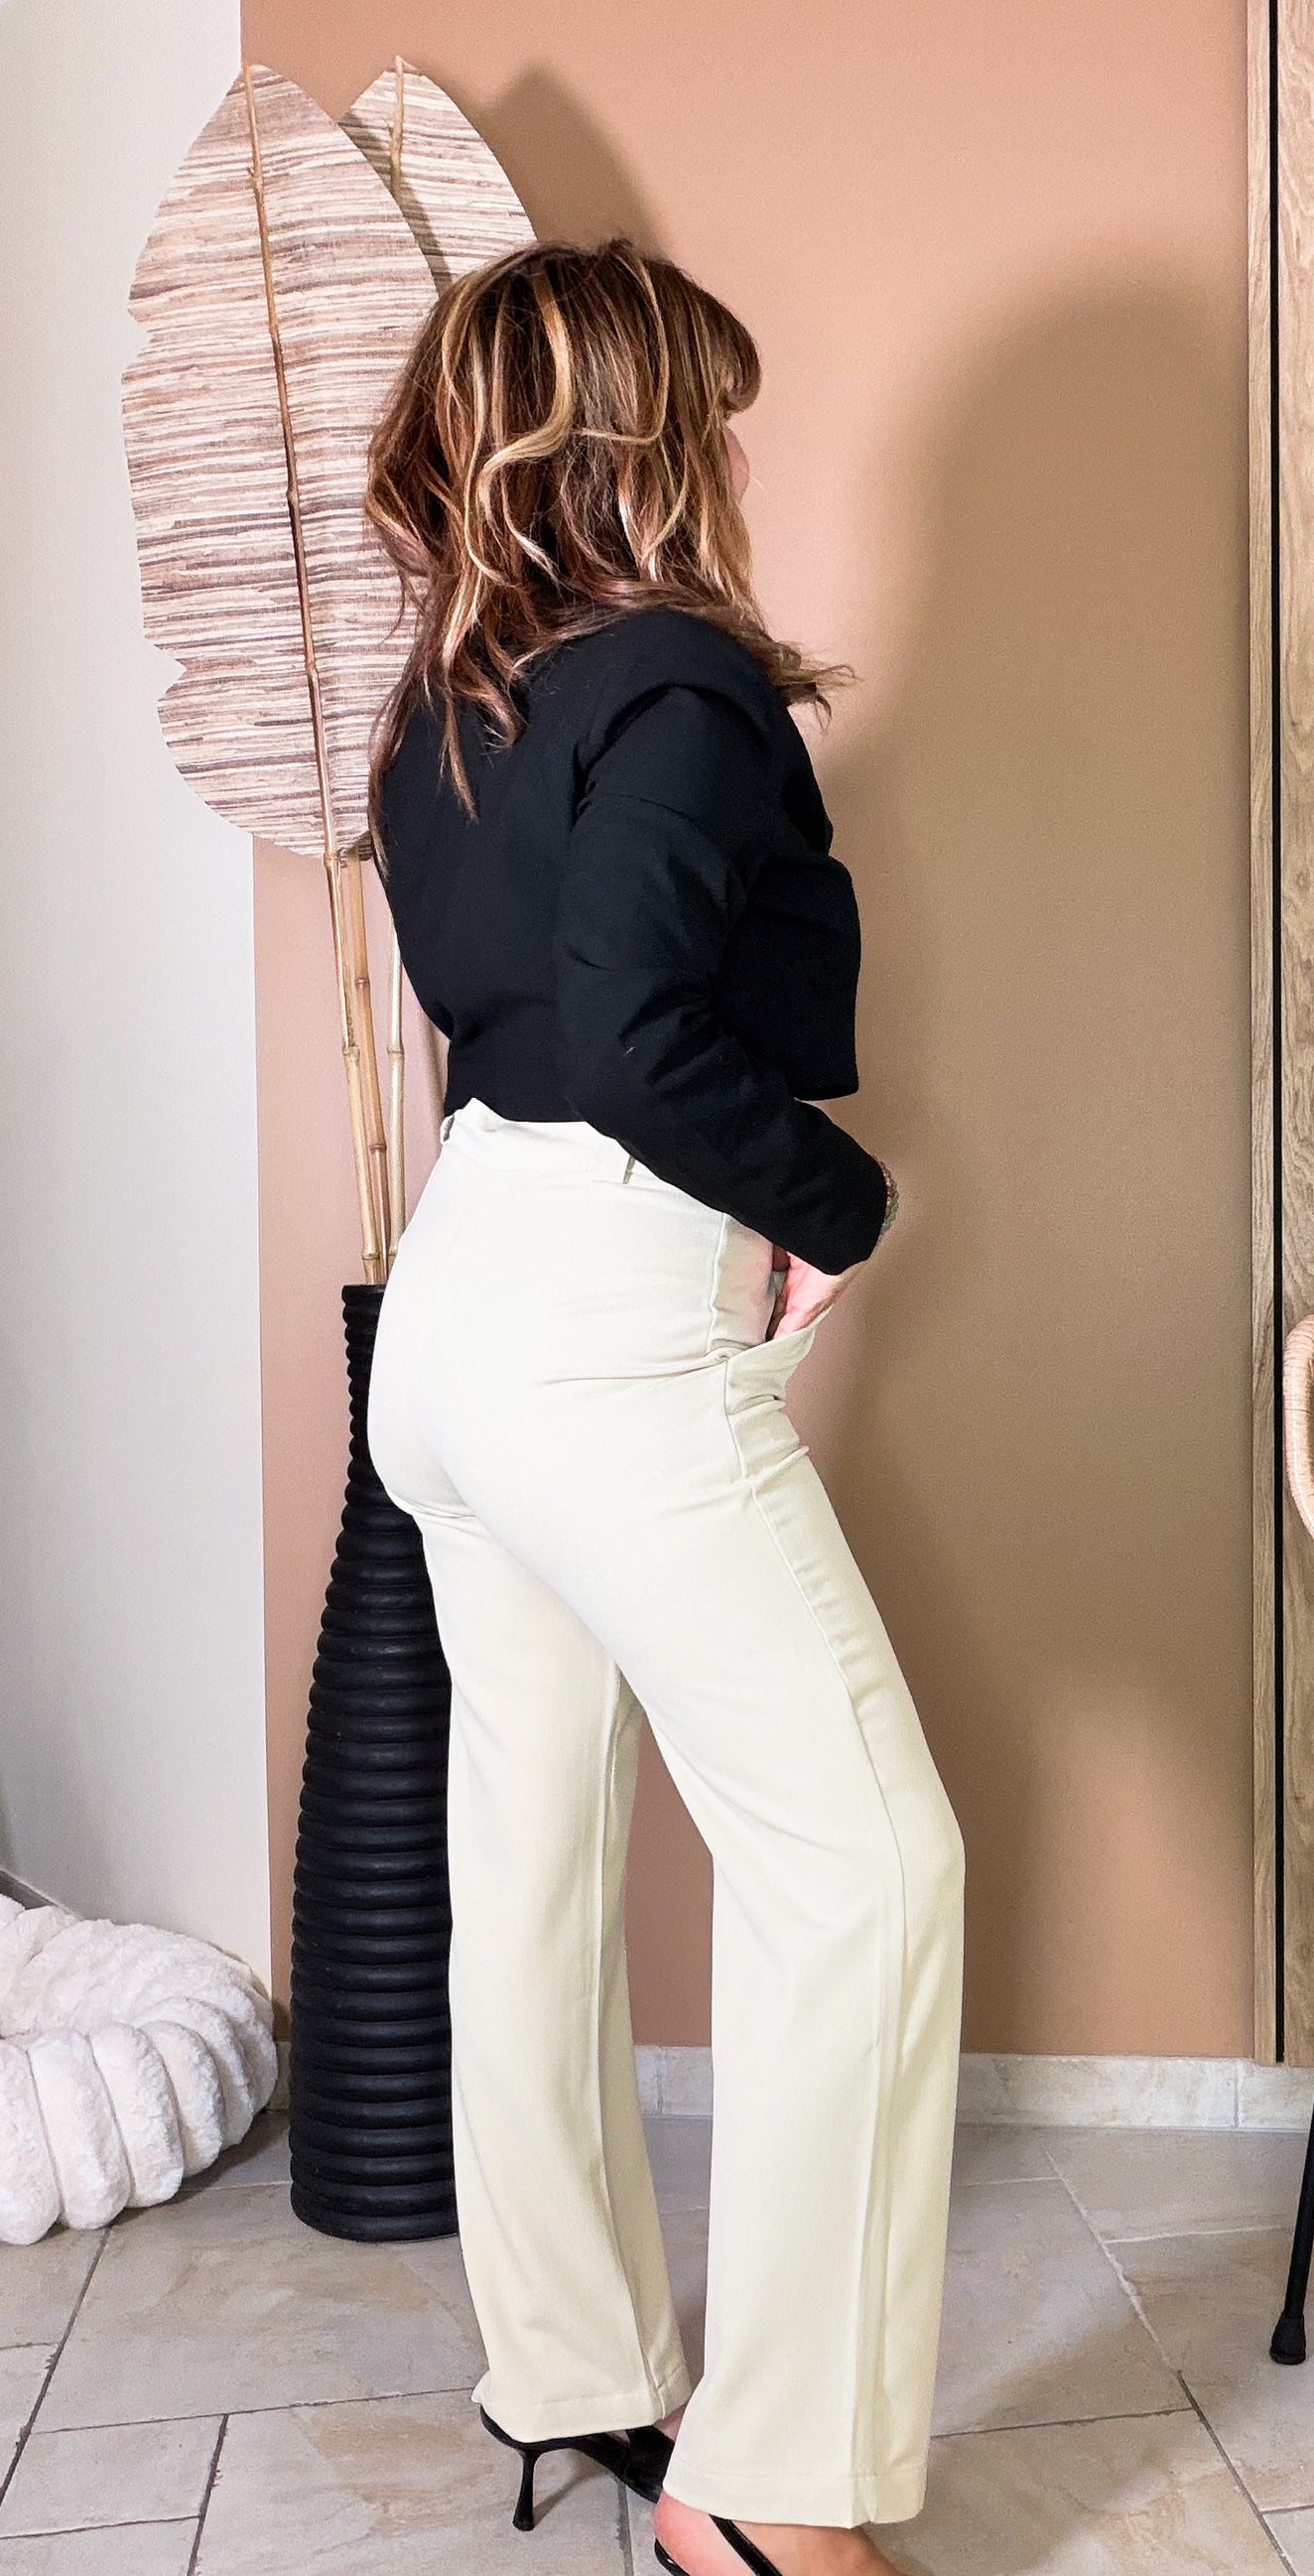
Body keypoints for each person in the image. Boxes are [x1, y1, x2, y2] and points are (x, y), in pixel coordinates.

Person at [362, 238, 966, 2576]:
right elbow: (630, 1035)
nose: (727, 449)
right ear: (637, 432)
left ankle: (574, 2372)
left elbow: (518, 1020)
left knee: (531, 1857)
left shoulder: (444, 708)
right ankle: (765, 2491)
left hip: (453, 1297)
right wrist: (839, 1199)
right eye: (703, 411)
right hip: (603, 1312)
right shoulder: (684, 682)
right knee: (869, 1865)